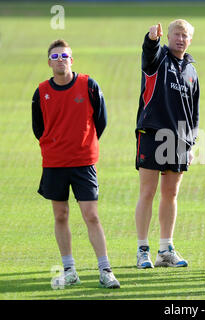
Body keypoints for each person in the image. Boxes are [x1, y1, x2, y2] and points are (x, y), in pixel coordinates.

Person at [31, 39, 120, 289]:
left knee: (91, 215)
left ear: (72, 59)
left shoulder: (88, 85)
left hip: (83, 162)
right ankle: (69, 269)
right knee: (60, 215)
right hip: (54, 163)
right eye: (55, 57)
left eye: (64, 56)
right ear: (49, 62)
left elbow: (100, 121)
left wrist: (84, 143)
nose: (60, 60)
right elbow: (39, 128)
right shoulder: (41, 92)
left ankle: (106, 270)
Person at [135, 20, 199, 269]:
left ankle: (165, 249)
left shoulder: (192, 71)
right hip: (152, 134)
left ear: (190, 40)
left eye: (185, 36)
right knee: (147, 192)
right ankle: (142, 249)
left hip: (180, 139)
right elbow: (149, 51)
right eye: (176, 35)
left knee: (170, 194)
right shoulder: (158, 58)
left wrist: (191, 144)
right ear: (168, 37)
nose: (180, 39)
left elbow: (194, 113)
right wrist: (151, 39)